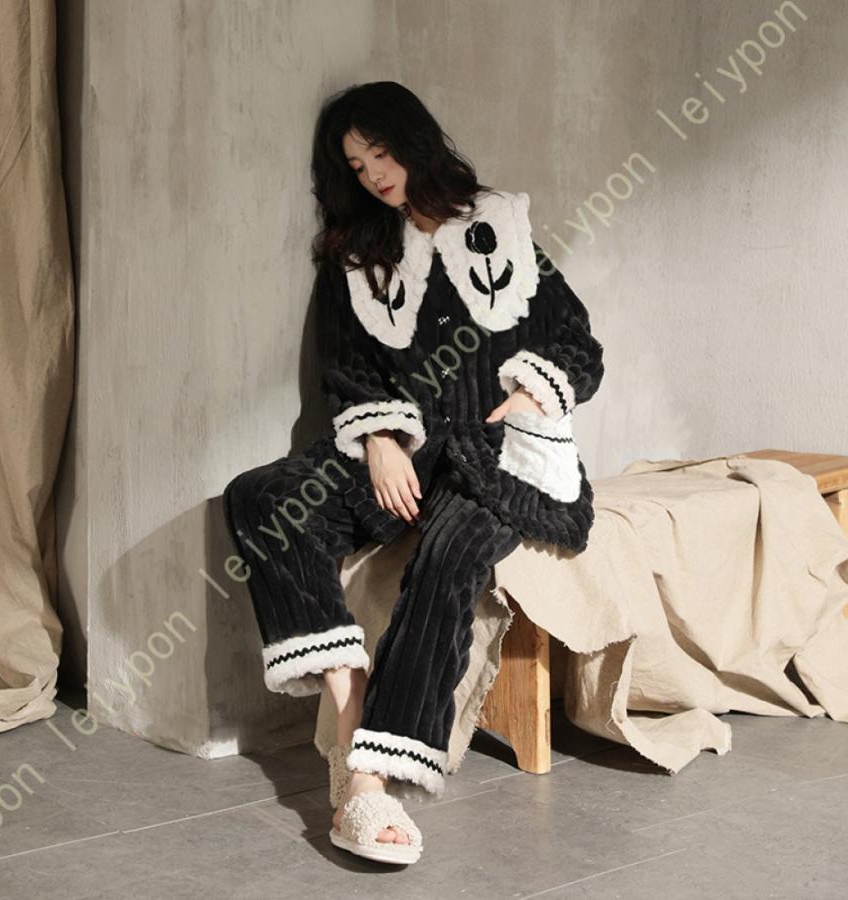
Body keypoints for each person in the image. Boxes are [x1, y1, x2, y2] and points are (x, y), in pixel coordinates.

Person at [222, 80, 605, 865]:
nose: (372, 174)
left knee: (449, 559)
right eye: (356, 165)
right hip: (408, 449)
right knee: (262, 497)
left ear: (415, 141)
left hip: (501, 457)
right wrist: (378, 440)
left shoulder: (498, 229)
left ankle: (369, 780)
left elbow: (577, 343)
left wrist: (534, 388)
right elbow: (349, 369)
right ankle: (351, 705)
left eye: (380, 153)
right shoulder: (359, 256)